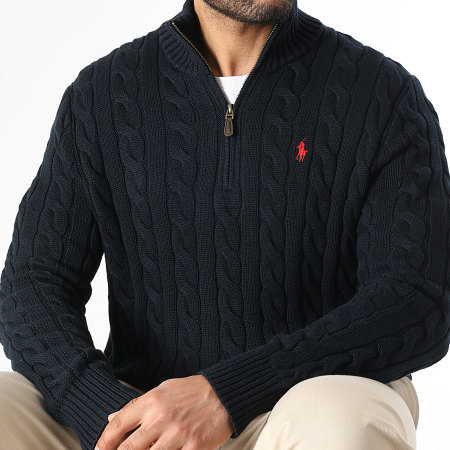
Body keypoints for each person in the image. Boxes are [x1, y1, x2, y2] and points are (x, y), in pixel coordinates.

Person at [0, 0, 448, 449]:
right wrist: (108, 415)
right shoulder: (102, 95)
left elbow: (419, 298)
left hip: (296, 406)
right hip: (139, 407)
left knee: (338, 418)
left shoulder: (381, 94)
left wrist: (230, 392)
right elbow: (32, 284)